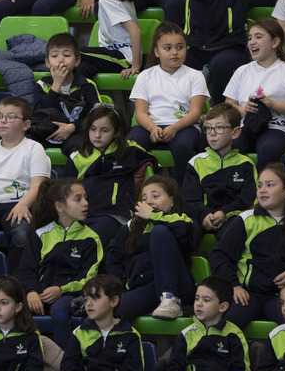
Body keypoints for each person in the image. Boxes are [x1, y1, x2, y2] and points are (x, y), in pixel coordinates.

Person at [211, 164, 285, 327]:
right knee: (225, 328)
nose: (262, 190)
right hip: (247, 295)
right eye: (260, 185)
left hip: (283, 298)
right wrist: (234, 286)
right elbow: (219, 256)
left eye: (270, 185)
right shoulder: (246, 219)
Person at [18, 179, 102, 348]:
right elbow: (26, 270)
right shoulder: (41, 234)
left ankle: (66, 364)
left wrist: (61, 290)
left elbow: (89, 278)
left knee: (60, 311)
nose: (85, 203)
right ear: (60, 207)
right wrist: (32, 292)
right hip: (40, 294)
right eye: (78, 199)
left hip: (69, 295)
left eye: (85, 198)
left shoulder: (91, 239)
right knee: (12, 308)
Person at [0, 96, 51, 261]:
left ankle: (17, 281)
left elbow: (38, 187)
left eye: (11, 117)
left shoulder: (34, 149)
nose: (3, 121)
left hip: (19, 204)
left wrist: (23, 205)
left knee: (21, 232)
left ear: (26, 125)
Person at [222, 19, 285, 166]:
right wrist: (244, 109)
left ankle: (266, 188)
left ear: (275, 42)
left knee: (269, 148)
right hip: (246, 127)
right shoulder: (242, 71)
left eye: (258, 37)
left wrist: (273, 104)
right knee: (231, 147)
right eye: (250, 38)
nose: (252, 42)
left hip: (278, 127)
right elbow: (228, 105)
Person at [66, 104, 155, 247]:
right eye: (92, 129)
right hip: (82, 215)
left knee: (89, 241)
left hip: (114, 215)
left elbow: (155, 170)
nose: (97, 135)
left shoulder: (130, 150)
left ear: (117, 132)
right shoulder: (78, 156)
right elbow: (65, 189)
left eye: (104, 130)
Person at [128, 21, 208, 181]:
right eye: (168, 48)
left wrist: (173, 128)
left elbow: (195, 112)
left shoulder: (195, 76)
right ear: (157, 52)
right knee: (131, 144)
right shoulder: (146, 76)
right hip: (150, 126)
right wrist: (152, 128)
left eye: (180, 47)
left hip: (184, 127)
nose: (175, 53)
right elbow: (141, 113)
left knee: (183, 147)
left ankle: (183, 194)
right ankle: (133, 192)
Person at [109, 175, 196, 320]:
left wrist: (152, 215)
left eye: (155, 196)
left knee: (160, 230)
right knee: (111, 311)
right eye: (144, 199)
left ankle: (170, 298)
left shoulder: (182, 219)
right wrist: (121, 287)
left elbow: (183, 231)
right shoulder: (133, 226)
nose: (149, 201)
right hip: (144, 287)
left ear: (172, 200)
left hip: (178, 287)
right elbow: (114, 255)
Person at [183, 103, 256, 236]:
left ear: (235, 132)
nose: (212, 133)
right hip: (202, 217)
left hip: (232, 217)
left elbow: (248, 199)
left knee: (233, 230)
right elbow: (189, 199)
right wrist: (204, 214)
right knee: (185, 230)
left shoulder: (245, 164)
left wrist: (225, 213)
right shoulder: (196, 162)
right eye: (208, 128)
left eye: (219, 128)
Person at [78, 0, 142, 80]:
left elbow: (135, 31)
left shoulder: (108, 1)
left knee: (70, 52)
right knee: (82, 69)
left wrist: (135, 66)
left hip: (122, 58)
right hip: (113, 56)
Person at [32, 34, 100, 151]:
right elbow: (38, 113)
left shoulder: (87, 85)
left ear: (77, 61)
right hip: (46, 131)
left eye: (67, 55)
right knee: (27, 143)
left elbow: (97, 116)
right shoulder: (41, 85)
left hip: (75, 133)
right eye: (54, 55)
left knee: (78, 145)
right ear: (47, 63)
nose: (60, 60)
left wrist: (72, 127)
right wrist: (56, 85)